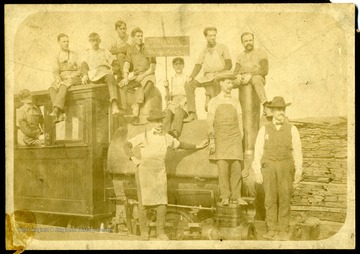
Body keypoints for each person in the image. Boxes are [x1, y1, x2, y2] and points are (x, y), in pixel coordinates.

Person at [123, 109, 208, 240]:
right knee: (144, 203)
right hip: (144, 171)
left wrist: (198, 145)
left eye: (161, 121)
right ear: (151, 123)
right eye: (157, 122)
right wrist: (134, 159)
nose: (160, 124)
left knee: (162, 203)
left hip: (159, 171)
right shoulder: (143, 135)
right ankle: (144, 233)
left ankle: (160, 233)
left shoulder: (167, 137)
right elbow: (127, 145)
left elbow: (181, 145)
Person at [252, 96, 303, 240]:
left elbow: (297, 151)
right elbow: (258, 151)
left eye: (283, 109)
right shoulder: (264, 129)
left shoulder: (292, 129)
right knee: (269, 199)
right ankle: (271, 229)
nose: (281, 112)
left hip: (286, 166)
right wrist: (257, 171)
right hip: (268, 167)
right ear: (272, 111)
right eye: (278, 109)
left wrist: (299, 170)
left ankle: (283, 230)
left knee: (285, 198)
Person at [207, 73, 247, 206]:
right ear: (221, 83)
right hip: (221, 137)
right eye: (228, 83)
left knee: (236, 167)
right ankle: (225, 196)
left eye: (232, 83)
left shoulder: (236, 101)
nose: (231, 85)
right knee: (223, 167)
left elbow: (240, 119)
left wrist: (240, 135)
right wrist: (212, 140)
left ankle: (237, 196)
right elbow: (209, 122)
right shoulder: (214, 101)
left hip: (234, 136)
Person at [184, 27, 232, 122]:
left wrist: (220, 72)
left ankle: (219, 115)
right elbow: (198, 65)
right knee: (189, 85)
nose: (213, 37)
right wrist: (191, 77)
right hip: (207, 77)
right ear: (206, 37)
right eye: (210, 35)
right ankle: (192, 113)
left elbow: (229, 64)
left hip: (220, 76)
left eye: (214, 35)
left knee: (216, 86)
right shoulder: (204, 50)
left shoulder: (222, 47)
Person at [81, 32, 124, 115]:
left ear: (100, 41)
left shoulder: (105, 51)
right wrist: (85, 75)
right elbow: (84, 65)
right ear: (90, 42)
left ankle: (114, 104)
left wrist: (114, 70)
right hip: (93, 74)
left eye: (97, 40)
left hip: (104, 73)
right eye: (93, 41)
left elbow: (114, 63)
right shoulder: (87, 53)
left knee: (110, 77)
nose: (95, 43)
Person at [119, 28, 156, 117]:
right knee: (122, 86)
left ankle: (137, 105)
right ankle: (125, 109)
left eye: (141, 36)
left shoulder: (149, 48)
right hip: (136, 76)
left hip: (148, 75)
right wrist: (125, 77)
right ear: (132, 38)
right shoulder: (130, 50)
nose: (140, 38)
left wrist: (143, 76)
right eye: (138, 36)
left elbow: (152, 68)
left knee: (149, 83)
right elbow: (127, 64)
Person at [233, 32, 271, 116]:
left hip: (256, 78)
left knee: (256, 79)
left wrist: (250, 75)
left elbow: (265, 71)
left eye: (250, 40)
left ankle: (265, 105)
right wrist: (238, 76)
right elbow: (235, 72)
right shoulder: (240, 56)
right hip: (243, 78)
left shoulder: (261, 53)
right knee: (227, 82)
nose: (248, 42)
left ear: (253, 41)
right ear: (242, 43)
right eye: (246, 41)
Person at [49, 33, 82, 123]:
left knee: (63, 85)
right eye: (64, 41)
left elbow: (81, 69)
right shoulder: (56, 56)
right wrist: (57, 79)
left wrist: (72, 75)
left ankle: (56, 111)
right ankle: (60, 114)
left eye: (67, 41)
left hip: (75, 78)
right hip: (62, 78)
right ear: (58, 42)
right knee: (52, 88)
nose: (66, 43)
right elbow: (55, 70)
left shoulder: (74, 54)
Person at [162, 57, 188, 139]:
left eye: (180, 64)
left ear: (183, 65)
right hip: (174, 101)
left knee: (179, 111)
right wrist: (166, 87)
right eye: (176, 64)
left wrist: (183, 101)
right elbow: (169, 97)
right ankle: (165, 133)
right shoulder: (172, 79)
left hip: (184, 101)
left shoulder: (186, 77)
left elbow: (190, 94)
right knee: (167, 112)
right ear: (173, 66)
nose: (178, 66)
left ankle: (175, 132)